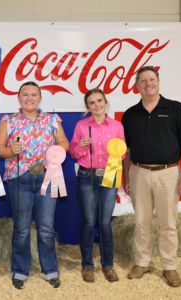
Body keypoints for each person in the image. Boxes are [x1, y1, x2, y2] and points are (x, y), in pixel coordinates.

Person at [122, 66, 181, 287]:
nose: (148, 83)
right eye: (143, 81)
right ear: (137, 86)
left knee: (168, 223)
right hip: (139, 172)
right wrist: (126, 177)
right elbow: (126, 150)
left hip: (169, 173)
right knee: (141, 222)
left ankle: (169, 267)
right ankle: (142, 262)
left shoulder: (176, 109)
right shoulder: (130, 114)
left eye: (151, 79)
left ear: (158, 82)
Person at [0, 81, 69, 289]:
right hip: (20, 179)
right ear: (19, 98)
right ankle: (19, 270)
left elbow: (64, 143)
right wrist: (11, 151)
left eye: (33, 95)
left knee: (46, 228)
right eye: (25, 95)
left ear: (40, 98)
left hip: (47, 176)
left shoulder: (52, 120)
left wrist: (56, 151)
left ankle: (50, 270)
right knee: (21, 228)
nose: (29, 98)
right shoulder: (8, 121)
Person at [69, 88, 125, 283]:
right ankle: (87, 265)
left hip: (109, 176)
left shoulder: (117, 126)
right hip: (87, 176)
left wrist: (118, 156)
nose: (97, 105)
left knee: (104, 222)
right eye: (92, 102)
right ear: (88, 106)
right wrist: (82, 146)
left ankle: (108, 265)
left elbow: (122, 152)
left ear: (105, 102)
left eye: (99, 100)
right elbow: (73, 153)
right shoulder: (82, 126)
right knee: (88, 221)